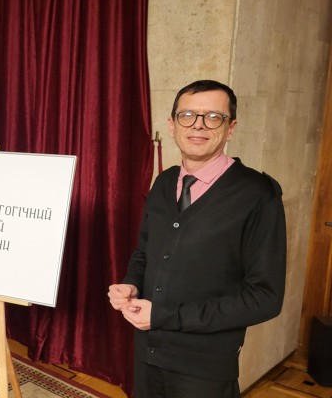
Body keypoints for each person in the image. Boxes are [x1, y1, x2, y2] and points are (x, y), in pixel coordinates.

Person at [108, 80, 286, 398]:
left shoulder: (258, 194)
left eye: (213, 117)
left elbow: (265, 298)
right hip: (147, 353)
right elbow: (145, 252)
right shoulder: (164, 183)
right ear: (172, 125)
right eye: (188, 115)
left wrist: (165, 317)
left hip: (204, 367)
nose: (198, 125)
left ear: (230, 128)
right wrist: (131, 284)